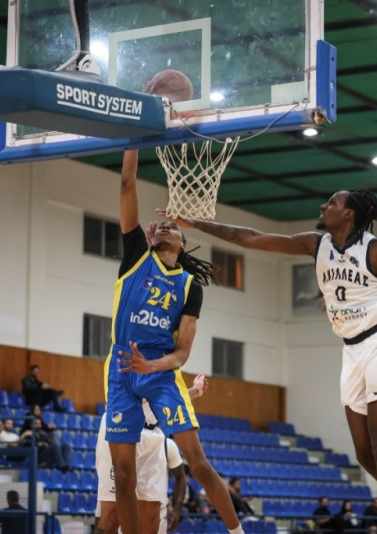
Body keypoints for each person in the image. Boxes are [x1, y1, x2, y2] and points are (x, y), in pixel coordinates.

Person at [158, 189, 377, 534]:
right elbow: (251, 238)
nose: (323, 206)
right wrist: (194, 224)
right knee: (363, 454)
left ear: (348, 215)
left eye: (332, 203)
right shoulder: (317, 244)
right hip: (352, 349)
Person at [104, 149, 244, 534]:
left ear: (183, 245)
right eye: (162, 226)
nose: (165, 227)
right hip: (120, 366)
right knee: (123, 471)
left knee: (197, 462)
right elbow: (126, 182)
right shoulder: (135, 254)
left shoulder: (189, 287)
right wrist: (135, 137)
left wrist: (152, 366)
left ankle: (238, 532)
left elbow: (182, 353)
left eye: (174, 228)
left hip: (160, 369)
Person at [95, 375, 207, 534]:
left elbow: (165, 396)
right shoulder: (131, 355)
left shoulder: (166, 359)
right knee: (111, 513)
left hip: (153, 433)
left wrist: (195, 390)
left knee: (151, 509)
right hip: (121, 424)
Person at [21, 405, 71, 471]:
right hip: (38, 457)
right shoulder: (29, 433)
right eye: (36, 423)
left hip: (48, 453)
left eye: (39, 424)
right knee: (55, 445)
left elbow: (49, 442)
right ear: (31, 424)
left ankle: (66, 465)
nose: (38, 425)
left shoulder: (43, 432)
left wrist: (46, 442)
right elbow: (28, 446)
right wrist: (39, 444)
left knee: (66, 445)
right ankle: (61, 466)